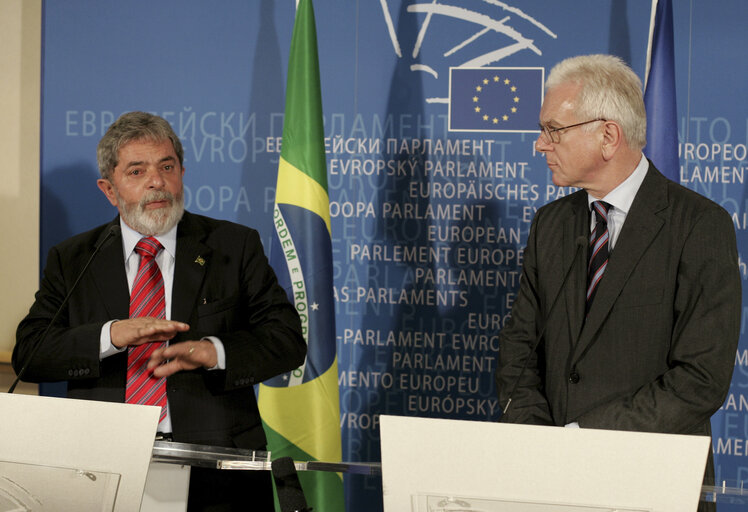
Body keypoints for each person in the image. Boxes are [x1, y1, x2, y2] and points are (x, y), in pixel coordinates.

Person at [14, 111, 306, 510]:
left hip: (214, 466)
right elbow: (30, 354)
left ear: (181, 173)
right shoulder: (74, 258)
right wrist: (110, 335)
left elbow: (287, 340)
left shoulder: (232, 247)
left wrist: (214, 351)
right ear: (109, 189)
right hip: (103, 467)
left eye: (166, 166)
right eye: (137, 171)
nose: (156, 181)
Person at [495, 54, 740, 508]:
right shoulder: (550, 224)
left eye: (554, 129)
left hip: (653, 484)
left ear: (608, 135)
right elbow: (518, 352)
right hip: (549, 485)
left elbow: (700, 379)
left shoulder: (699, 225)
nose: (539, 144)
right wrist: (538, 443)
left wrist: (583, 440)